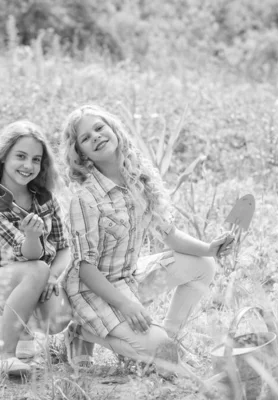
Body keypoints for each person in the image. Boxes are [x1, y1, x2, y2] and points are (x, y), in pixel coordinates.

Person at [61, 105, 233, 376]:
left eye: (99, 128)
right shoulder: (86, 198)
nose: (95, 136)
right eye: (85, 138)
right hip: (92, 291)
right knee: (165, 358)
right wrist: (126, 305)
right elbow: (85, 268)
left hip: (129, 278)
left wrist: (210, 249)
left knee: (204, 265)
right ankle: (83, 330)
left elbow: (170, 234)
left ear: (114, 130)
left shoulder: (137, 179)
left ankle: (167, 338)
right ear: (81, 154)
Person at [0, 120, 72, 375]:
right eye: (21, 156)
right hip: (0, 284)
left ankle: (25, 331)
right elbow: (31, 255)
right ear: (4, 156)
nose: (28, 165)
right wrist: (31, 236)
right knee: (37, 267)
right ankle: (4, 353)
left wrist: (52, 276)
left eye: (36, 159)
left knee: (59, 318)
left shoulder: (45, 200)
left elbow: (65, 248)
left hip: (39, 279)